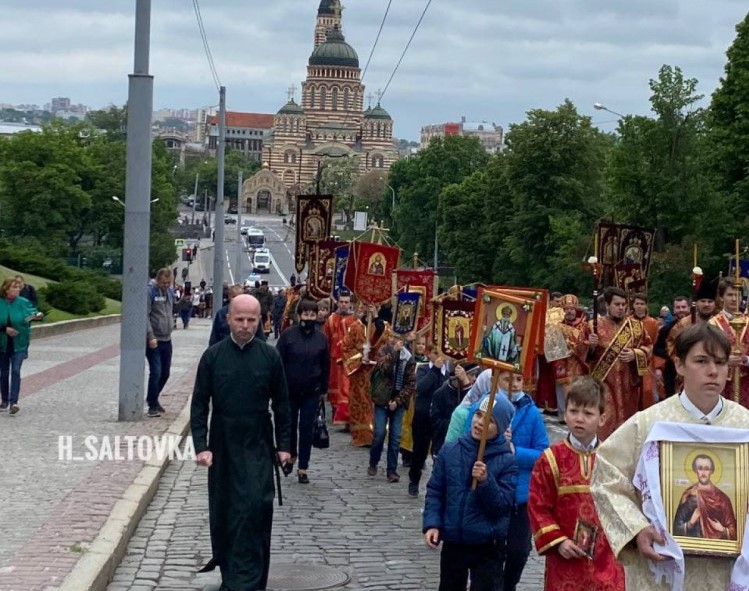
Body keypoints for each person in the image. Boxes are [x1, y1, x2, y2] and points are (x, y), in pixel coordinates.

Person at [591, 323, 749, 590]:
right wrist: (636, 529)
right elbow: (606, 476)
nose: (713, 371)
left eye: (721, 363)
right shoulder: (648, 424)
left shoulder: (744, 425)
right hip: (660, 570)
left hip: (727, 573)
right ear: (679, 365)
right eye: (701, 361)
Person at [191, 294, 291, 591]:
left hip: (258, 441)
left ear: (260, 320)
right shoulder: (213, 357)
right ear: (228, 319)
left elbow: (283, 404)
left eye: (251, 320)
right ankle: (231, 575)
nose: (245, 326)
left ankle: (252, 580)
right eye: (239, 319)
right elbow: (199, 405)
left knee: (256, 508)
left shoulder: (269, 356)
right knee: (226, 510)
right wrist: (201, 446)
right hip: (222, 442)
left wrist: (284, 445)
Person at [528, 376, 625, 591]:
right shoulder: (551, 459)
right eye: (573, 411)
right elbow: (538, 506)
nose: (579, 419)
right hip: (566, 559)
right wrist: (558, 541)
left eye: (588, 413)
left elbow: (627, 505)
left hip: (607, 559)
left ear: (602, 418)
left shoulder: (613, 460)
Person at [461, 372, 549, 591]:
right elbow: (467, 444)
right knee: (490, 554)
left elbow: (543, 454)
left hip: (519, 497)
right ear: (496, 381)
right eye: (508, 380)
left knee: (518, 552)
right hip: (490, 491)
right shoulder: (482, 407)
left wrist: (514, 451)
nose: (515, 384)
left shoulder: (531, 413)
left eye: (519, 379)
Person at [423, 394, 518, 591]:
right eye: (478, 415)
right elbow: (435, 491)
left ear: (500, 427)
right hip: (454, 540)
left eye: (489, 420)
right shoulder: (450, 451)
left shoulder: (507, 461)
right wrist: (433, 523)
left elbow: (501, 507)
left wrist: (486, 481)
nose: (480, 423)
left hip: (487, 545)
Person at [276, 298, 330, 484]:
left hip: (311, 391)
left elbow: (325, 365)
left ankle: (303, 467)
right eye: (306, 314)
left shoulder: (321, 339)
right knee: (289, 426)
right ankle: (291, 455)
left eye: (312, 314)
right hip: (289, 390)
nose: (309, 317)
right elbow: (278, 362)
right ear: (299, 316)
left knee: (306, 428)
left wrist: (324, 389)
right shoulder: (288, 336)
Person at [587, 286, 652, 440]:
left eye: (624, 305)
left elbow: (648, 346)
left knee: (628, 423)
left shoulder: (636, 327)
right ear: (607, 305)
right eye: (617, 304)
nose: (621, 308)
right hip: (604, 383)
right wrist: (589, 346)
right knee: (605, 420)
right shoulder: (593, 326)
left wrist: (635, 354)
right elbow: (581, 356)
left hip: (628, 384)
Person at [368, 332, 416, 482]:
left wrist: (398, 401)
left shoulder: (409, 357)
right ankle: (373, 461)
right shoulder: (383, 351)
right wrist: (394, 352)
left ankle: (391, 470)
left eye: (399, 338)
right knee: (380, 433)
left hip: (398, 401)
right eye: (393, 337)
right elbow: (383, 368)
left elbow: (410, 384)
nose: (395, 341)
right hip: (382, 399)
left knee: (395, 437)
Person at [341, 302, 391, 447]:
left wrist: (376, 320)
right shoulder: (355, 327)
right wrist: (360, 357)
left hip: (377, 372)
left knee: (377, 404)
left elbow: (388, 343)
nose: (369, 308)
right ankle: (362, 436)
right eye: (366, 305)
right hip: (360, 372)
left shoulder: (385, 326)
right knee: (360, 404)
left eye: (374, 306)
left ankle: (377, 435)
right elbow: (346, 347)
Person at [408, 343, 447, 497]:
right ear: (429, 354)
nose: (438, 356)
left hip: (440, 418)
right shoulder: (423, 369)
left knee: (439, 452)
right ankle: (414, 480)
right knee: (419, 451)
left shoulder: (448, 372)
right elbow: (421, 388)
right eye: (435, 353)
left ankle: (437, 486)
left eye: (441, 353)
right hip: (423, 416)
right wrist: (434, 370)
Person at [0, 278, 42, 415]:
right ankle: (4, 400)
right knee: (4, 373)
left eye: (19, 287)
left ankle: (14, 402)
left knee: (16, 371)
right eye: (14, 287)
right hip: (2, 343)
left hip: (20, 342)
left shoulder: (23, 302)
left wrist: (36, 316)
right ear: (6, 290)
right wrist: (5, 329)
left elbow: (29, 316)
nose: (18, 289)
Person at [673, 454, 737, 539]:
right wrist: (690, 523)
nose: (703, 473)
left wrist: (722, 530)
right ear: (695, 470)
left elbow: (735, 532)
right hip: (693, 546)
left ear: (712, 471)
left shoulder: (722, 499)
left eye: (707, 469)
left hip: (717, 547)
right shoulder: (688, 496)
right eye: (700, 468)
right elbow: (675, 530)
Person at [431, 364, 480, 456]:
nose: (474, 379)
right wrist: (456, 422)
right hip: (443, 445)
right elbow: (436, 422)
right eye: (472, 375)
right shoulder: (440, 394)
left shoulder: (474, 393)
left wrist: (466, 384)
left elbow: (473, 409)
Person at [323, 291, 356, 425]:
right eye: (341, 302)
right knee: (335, 388)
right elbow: (326, 340)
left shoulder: (354, 320)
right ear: (337, 302)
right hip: (334, 361)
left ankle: (348, 418)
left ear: (350, 303)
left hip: (350, 360)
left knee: (348, 389)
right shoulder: (331, 319)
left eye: (346, 302)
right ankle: (336, 413)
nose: (343, 304)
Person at [146, 268, 174, 418]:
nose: (166, 285)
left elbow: (169, 310)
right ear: (157, 280)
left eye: (169, 282)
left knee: (165, 372)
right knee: (156, 372)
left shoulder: (169, 291)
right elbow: (146, 314)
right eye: (164, 282)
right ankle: (152, 405)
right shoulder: (151, 291)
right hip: (154, 339)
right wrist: (150, 336)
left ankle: (154, 397)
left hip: (167, 338)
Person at [653, 295, 690, 398]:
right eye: (678, 307)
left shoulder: (696, 325)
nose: (681, 310)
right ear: (673, 309)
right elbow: (657, 349)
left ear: (689, 308)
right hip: (672, 370)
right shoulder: (666, 329)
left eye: (683, 307)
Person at [631, 292, 660, 409]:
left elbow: (655, 344)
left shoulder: (653, 323)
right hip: (631, 361)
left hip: (648, 361)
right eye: (637, 303)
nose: (639, 306)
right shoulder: (627, 321)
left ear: (646, 306)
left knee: (647, 390)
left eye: (642, 304)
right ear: (633, 305)